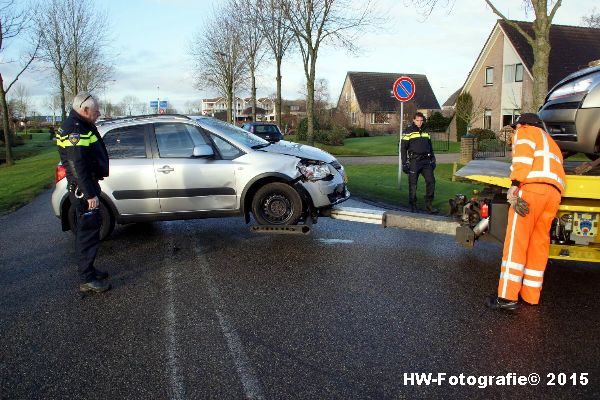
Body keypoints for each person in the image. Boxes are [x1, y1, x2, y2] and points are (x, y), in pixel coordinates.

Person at [486, 113, 566, 310]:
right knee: (539, 243)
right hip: (553, 195)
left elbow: (522, 159)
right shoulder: (551, 142)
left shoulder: (525, 131)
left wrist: (514, 185)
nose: (514, 131)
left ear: (521, 124)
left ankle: (507, 297)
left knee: (517, 241)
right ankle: (531, 296)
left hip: (531, 191)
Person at [56, 92, 111, 294]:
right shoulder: (74, 129)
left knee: (91, 230)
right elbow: (77, 165)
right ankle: (87, 278)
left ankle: (90, 269)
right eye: (96, 111)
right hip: (83, 190)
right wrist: (89, 195)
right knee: (87, 234)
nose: (99, 114)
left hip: (86, 186)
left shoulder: (81, 124)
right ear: (84, 110)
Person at [400, 112, 438, 213]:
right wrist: (404, 163)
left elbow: (430, 146)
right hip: (414, 161)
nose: (420, 123)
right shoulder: (408, 131)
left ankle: (429, 204)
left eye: (421, 121)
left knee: (431, 182)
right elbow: (403, 149)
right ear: (413, 120)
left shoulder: (426, 130)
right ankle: (413, 205)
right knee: (413, 184)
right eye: (417, 120)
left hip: (426, 161)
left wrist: (433, 159)